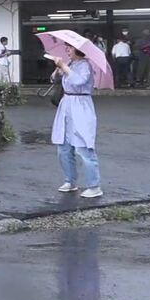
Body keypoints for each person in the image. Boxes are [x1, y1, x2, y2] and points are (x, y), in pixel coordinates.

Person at [51, 45, 102, 198]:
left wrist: (64, 67)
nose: (67, 51)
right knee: (63, 147)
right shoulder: (70, 64)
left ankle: (94, 185)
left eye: (70, 48)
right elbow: (54, 80)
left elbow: (79, 81)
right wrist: (57, 71)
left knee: (84, 146)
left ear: (78, 50)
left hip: (81, 105)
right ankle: (70, 180)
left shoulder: (85, 65)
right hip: (66, 104)